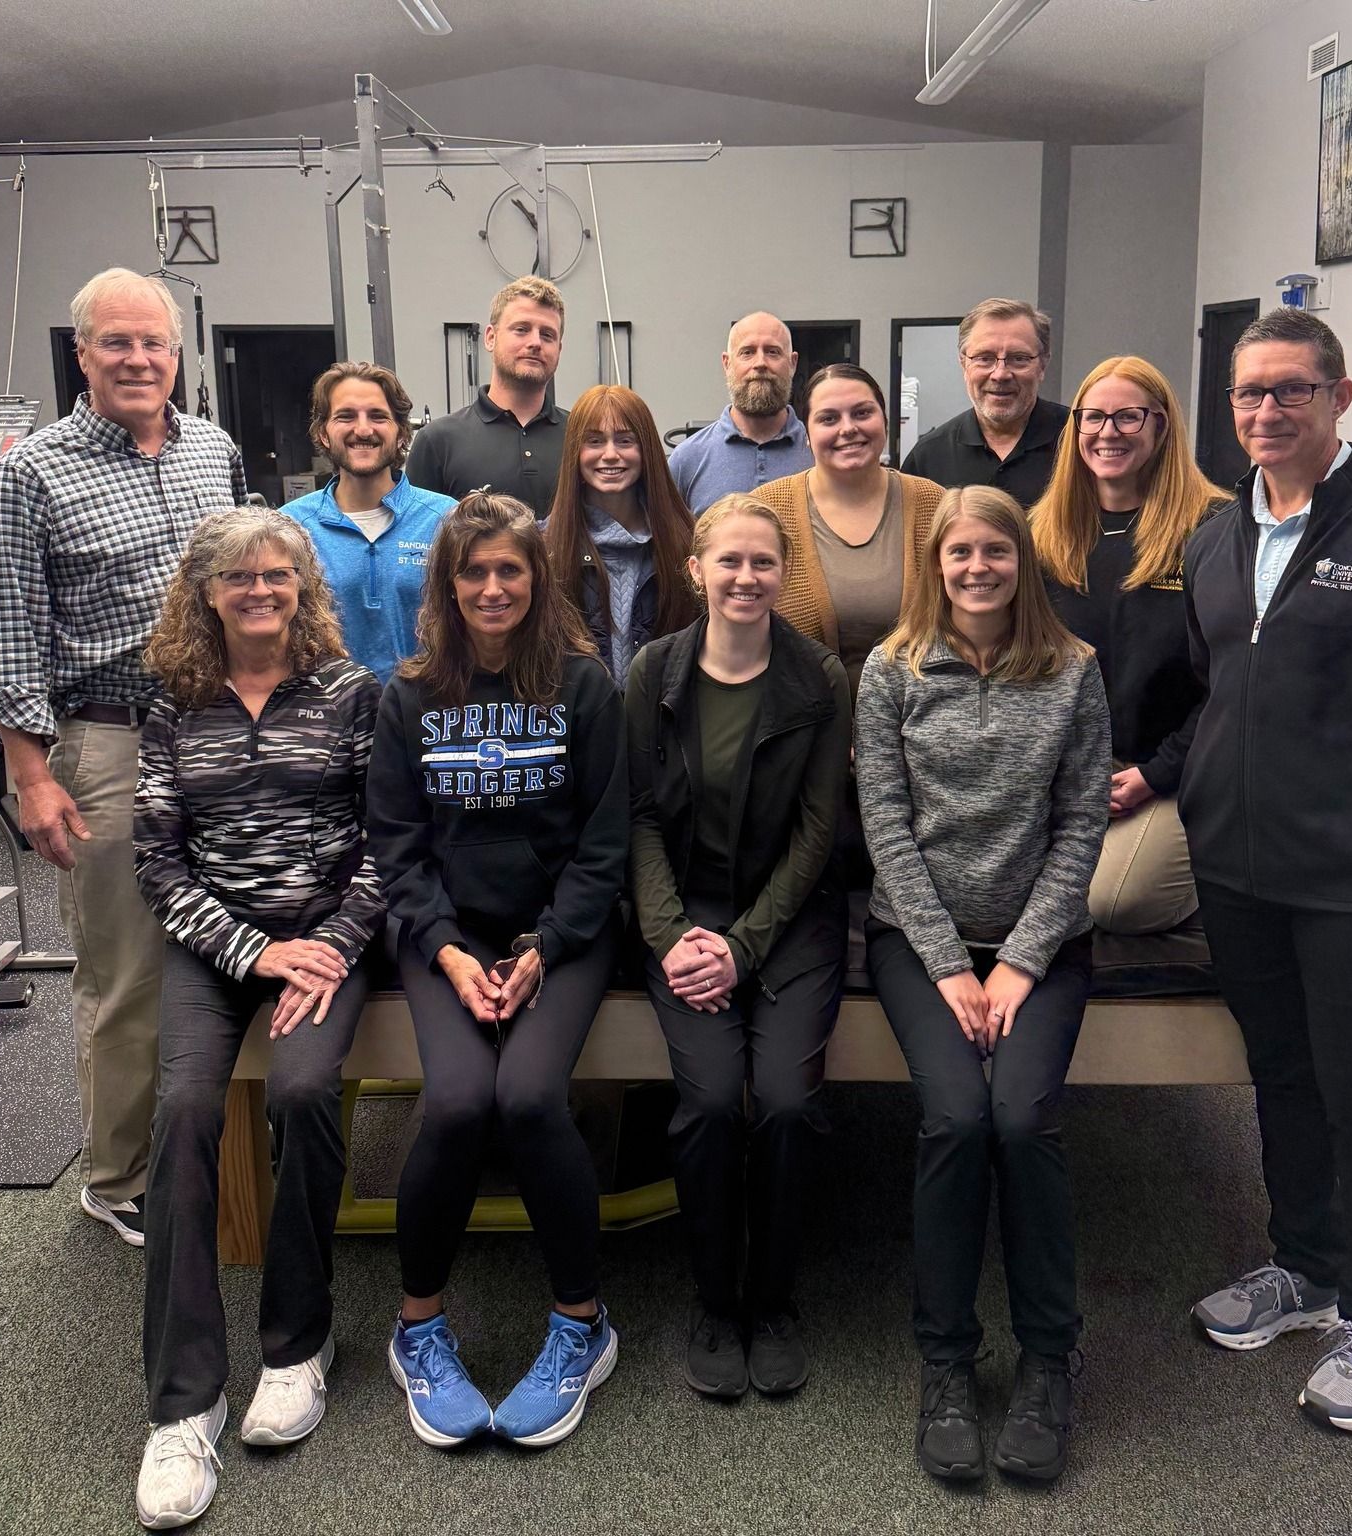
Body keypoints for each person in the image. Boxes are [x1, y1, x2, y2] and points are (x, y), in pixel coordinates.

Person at [1183, 308, 1352, 1433]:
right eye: (1250, 393)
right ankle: (1307, 1267)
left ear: (1340, 398)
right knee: (1283, 1078)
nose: (1266, 412)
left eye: (1291, 390)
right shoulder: (1216, 535)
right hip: (1243, 864)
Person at [0, 267, 246, 1247]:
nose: (139, 359)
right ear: (82, 354)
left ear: (178, 355)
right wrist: (32, 772)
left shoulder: (212, 449)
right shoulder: (32, 474)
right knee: (128, 968)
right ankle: (119, 1172)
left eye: (154, 343)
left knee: (227, 943)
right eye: (117, 343)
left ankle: (218, 1142)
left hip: (221, 735)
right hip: (108, 743)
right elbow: (7, 636)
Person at [130, 509, 381, 1527]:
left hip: (326, 944)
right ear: (205, 592)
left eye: (278, 575)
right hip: (214, 951)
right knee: (183, 1112)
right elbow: (158, 860)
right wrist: (252, 951)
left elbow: (388, 842)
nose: (260, 592)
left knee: (307, 1089)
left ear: (303, 587)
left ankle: (298, 1342)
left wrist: (331, 942)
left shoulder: (352, 693)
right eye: (239, 579)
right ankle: (183, 1407)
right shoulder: (173, 703)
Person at [855, 485, 1109, 1486]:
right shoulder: (891, 669)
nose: (975, 569)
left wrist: (1021, 960)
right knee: (957, 1119)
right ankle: (948, 1364)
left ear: (1020, 561)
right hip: (918, 945)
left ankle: (1050, 1359)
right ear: (937, 564)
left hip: (1039, 947)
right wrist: (954, 966)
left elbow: (1083, 826)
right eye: (958, 553)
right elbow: (885, 826)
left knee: (1022, 1121)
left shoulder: (1075, 671)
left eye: (993, 552)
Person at [367, 491, 628, 1449]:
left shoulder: (584, 686)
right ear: (447, 582)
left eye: (508, 570)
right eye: (472, 571)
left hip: (563, 934)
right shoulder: (411, 694)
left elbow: (605, 844)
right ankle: (418, 1330)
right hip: (446, 938)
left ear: (536, 579)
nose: (490, 587)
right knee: (457, 1104)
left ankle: (582, 1327)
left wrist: (543, 949)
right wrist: (446, 947)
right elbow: (397, 848)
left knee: (526, 1099)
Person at [627, 494, 851, 1400]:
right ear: (696, 571)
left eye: (764, 563)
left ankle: (775, 1299)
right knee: (713, 1101)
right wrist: (676, 936)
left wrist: (744, 947)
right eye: (730, 563)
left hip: (789, 920)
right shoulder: (653, 671)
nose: (746, 578)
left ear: (785, 574)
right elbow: (636, 818)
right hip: (681, 920)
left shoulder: (820, 679)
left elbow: (817, 830)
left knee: (790, 1104)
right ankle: (716, 1301)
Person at [1031, 356, 1227, 934]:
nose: (1107, 433)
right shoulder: (1041, 534)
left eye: (1129, 417)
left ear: (1162, 426)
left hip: (1170, 768)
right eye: (1092, 418)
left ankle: (1218, 865)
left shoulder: (1214, 530)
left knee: (1117, 902)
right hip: (1069, 769)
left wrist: (1156, 774)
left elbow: (1233, 681)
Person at [750, 363, 945, 697]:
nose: (848, 428)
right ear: (807, 434)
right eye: (828, 419)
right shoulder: (766, 511)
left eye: (862, 413)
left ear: (884, 420)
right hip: (803, 728)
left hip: (916, 728)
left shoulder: (932, 504)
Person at [283, 361, 456, 683]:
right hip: (328, 720)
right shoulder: (290, 527)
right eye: (346, 416)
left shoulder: (447, 520)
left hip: (428, 715)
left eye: (378, 416)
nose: (363, 430)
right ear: (323, 432)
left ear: (402, 432)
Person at [544, 384, 698, 690]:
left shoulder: (686, 543)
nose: (610, 455)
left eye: (625, 440)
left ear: (647, 451)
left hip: (662, 725)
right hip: (580, 725)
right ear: (575, 450)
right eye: (595, 441)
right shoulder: (545, 547)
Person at [404, 277, 568, 515]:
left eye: (547, 335)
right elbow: (416, 543)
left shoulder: (582, 437)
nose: (535, 342)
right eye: (521, 329)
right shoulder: (438, 442)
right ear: (490, 337)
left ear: (559, 350)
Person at [901, 297, 1069, 509]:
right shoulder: (928, 457)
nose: (1000, 374)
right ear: (964, 364)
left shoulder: (1079, 441)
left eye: (1018, 358)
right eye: (984, 358)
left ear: (1043, 365)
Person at [668, 312, 814, 513]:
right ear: (726, 363)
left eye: (772, 352)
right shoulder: (686, 460)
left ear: (793, 363)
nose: (760, 363)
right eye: (747, 352)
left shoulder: (818, 452)